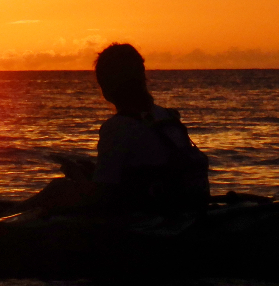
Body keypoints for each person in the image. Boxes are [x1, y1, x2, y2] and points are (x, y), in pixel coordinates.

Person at [23, 43, 209, 214]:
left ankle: (10, 218)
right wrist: (93, 172)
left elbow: (101, 195)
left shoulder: (118, 127)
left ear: (106, 87)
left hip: (141, 216)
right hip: (174, 207)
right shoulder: (168, 117)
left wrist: (77, 175)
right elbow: (141, 170)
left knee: (59, 188)